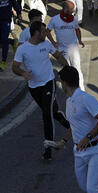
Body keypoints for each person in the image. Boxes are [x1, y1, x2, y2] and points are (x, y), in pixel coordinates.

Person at [12, 21, 70, 160]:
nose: (47, 34)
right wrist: (23, 73)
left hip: (49, 82)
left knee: (46, 113)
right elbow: (14, 67)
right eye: (44, 31)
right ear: (36, 33)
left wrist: (68, 70)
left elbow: (58, 56)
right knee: (52, 111)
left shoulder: (46, 44)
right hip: (34, 87)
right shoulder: (23, 49)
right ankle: (70, 125)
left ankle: (48, 147)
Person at [54, 66, 98, 193]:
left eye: (60, 81)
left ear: (64, 83)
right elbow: (73, 125)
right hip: (79, 151)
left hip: (96, 150)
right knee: (83, 187)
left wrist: (88, 137)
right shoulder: (69, 101)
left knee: (92, 189)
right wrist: (63, 141)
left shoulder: (86, 99)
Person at [47, 1, 86, 90]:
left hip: (73, 48)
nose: (73, 11)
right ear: (65, 9)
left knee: (77, 68)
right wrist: (53, 42)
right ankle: (70, 89)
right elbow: (47, 31)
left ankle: (81, 88)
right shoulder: (54, 19)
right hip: (62, 49)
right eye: (71, 9)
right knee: (67, 69)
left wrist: (79, 40)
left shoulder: (74, 19)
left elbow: (77, 30)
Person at [0, 0, 20, 71]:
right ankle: (12, 41)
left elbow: (15, 5)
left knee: (4, 40)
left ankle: (3, 61)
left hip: (6, 20)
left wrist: (19, 13)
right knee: (2, 40)